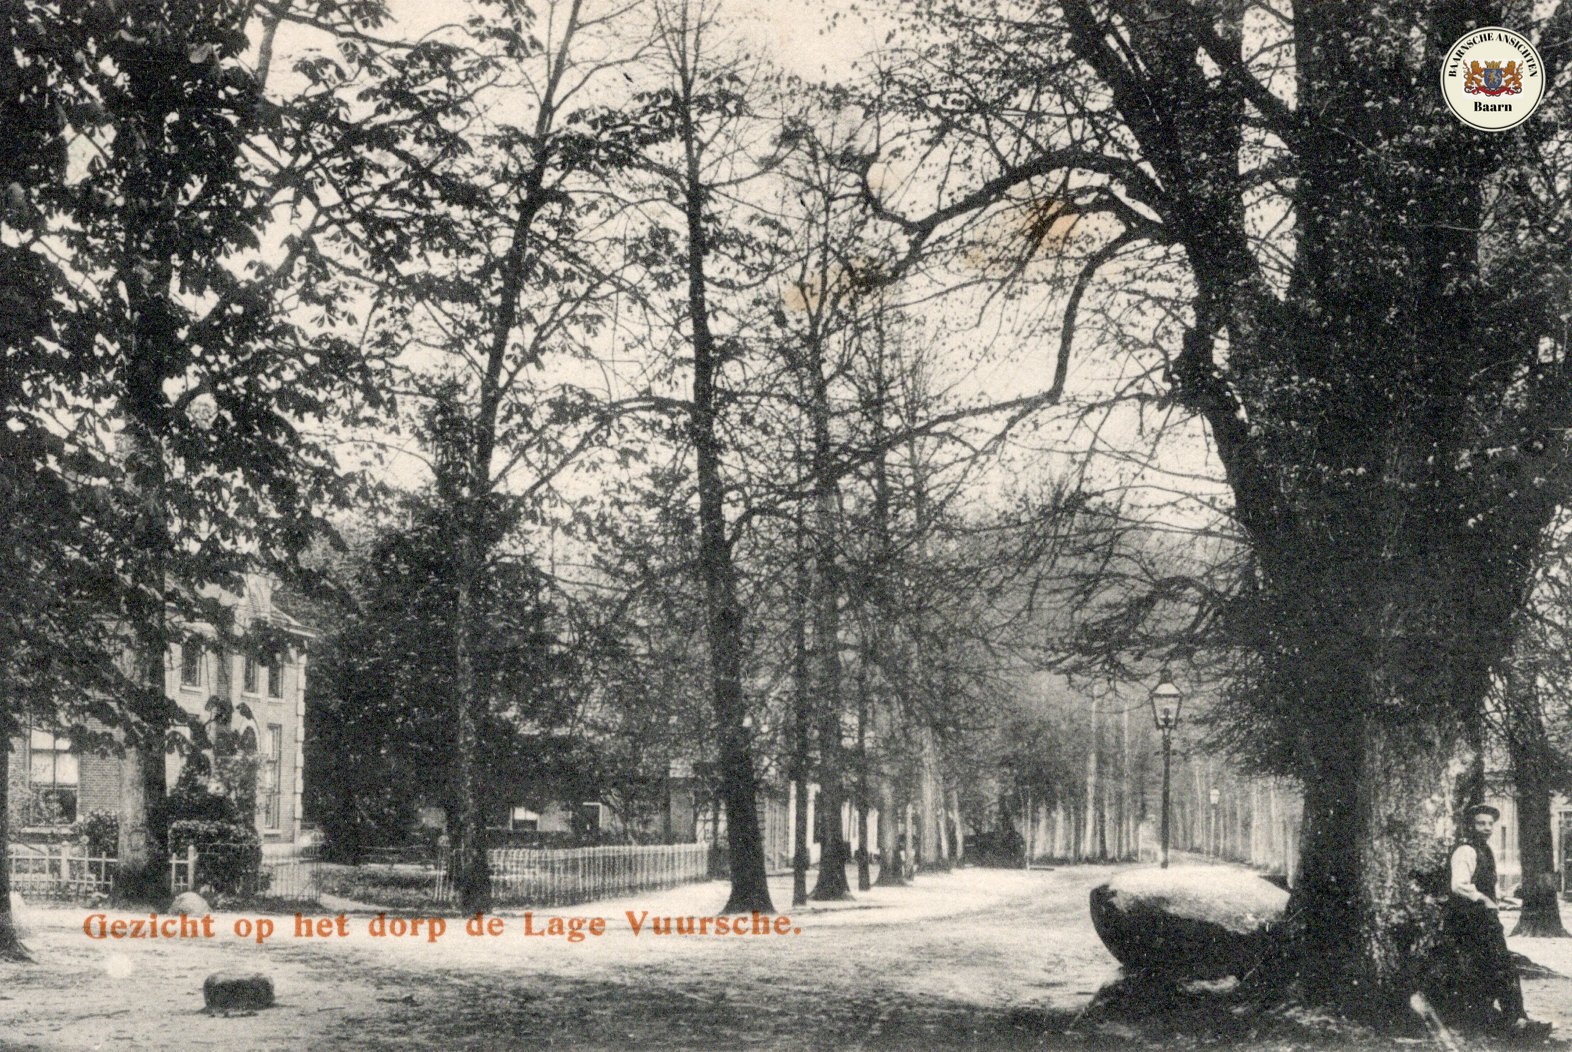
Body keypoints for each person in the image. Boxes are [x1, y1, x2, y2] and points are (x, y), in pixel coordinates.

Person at [1446, 804, 1552, 1041]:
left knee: (1499, 968)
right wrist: (1484, 899)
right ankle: (1514, 1021)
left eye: (1489, 824)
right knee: (1499, 967)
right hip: (1469, 921)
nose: (1486, 828)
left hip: (1484, 920)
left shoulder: (1485, 850)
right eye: (1480, 823)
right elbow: (1459, 885)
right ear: (1470, 826)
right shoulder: (1465, 850)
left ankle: (1514, 1021)